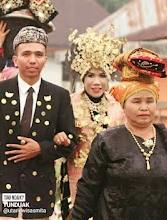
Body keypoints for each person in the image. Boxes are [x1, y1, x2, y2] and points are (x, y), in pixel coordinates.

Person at [0, 26, 77, 220]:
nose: (32, 60)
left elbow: (71, 143)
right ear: (16, 59)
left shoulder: (59, 96)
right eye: (26, 54)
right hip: (4, 187)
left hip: (39, 190)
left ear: (45, 59)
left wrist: (42, 148)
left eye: (38, 54)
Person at [70, 47, 167, 220]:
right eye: (136, 101)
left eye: (149, 101)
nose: (144, 107)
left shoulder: (165, 139)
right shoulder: (107, 141)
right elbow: (88, 192)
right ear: (123, 105)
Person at [52, 28, 125, 218]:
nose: (96, 82)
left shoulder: (118, 107)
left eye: (102, 75)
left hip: (110, 180)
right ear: (83, 77)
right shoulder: (69, 102)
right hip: (76, 176)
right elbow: (58, 138)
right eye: (91, 75)